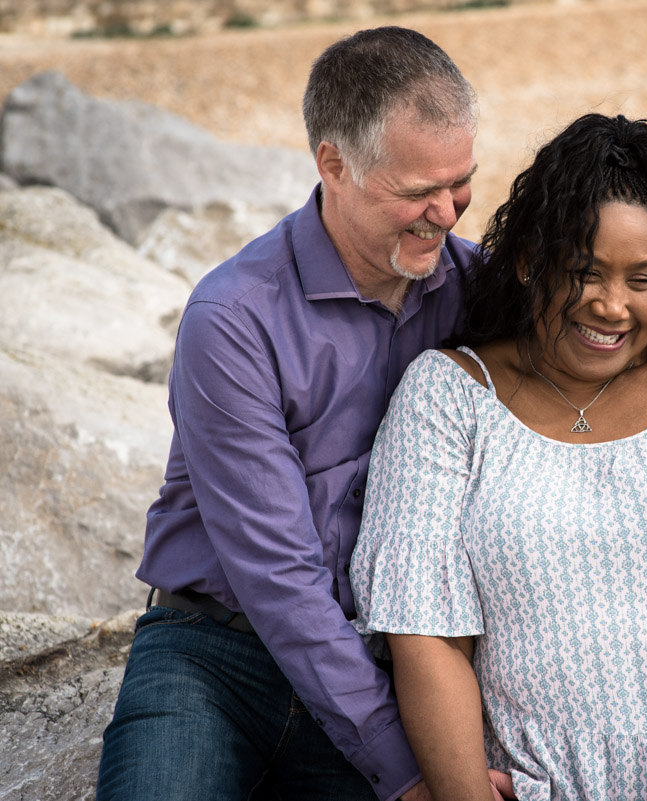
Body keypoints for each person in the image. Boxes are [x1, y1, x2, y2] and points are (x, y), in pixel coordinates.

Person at [350, 113, 647, 801]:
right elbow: (426, 634)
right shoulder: (447, 396)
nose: (613, 306)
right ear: (526, 260)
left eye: (641, 278)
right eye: (585, 273)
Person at [97, 27, 481, 801]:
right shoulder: (233, 317)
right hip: (212, 654)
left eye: (462, 182)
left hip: (388, 661)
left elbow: (635, 341)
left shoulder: (478, 286)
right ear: (333, 164)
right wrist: (406, 773)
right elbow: (279, 576)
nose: (445, 213)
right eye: (416, 191)